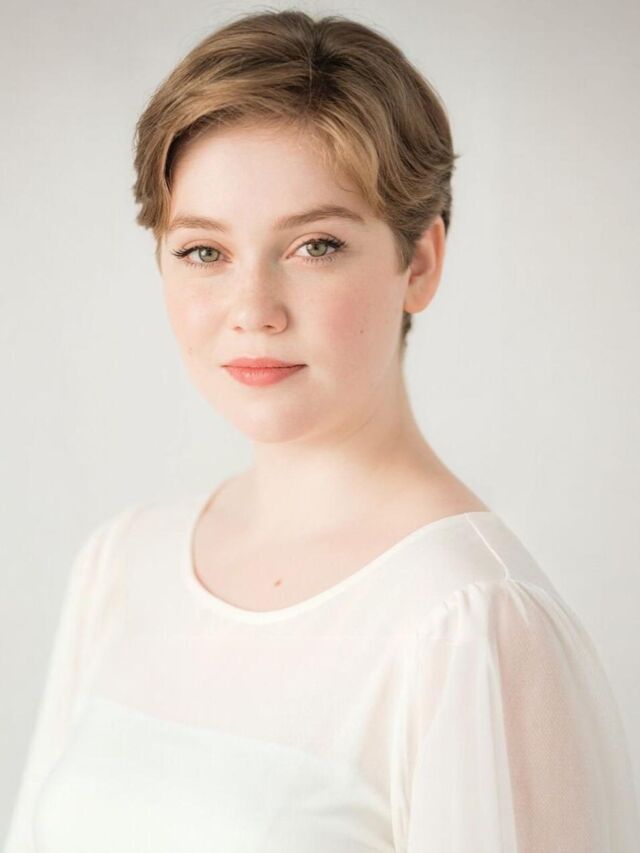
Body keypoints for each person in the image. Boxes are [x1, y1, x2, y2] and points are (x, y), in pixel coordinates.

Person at [4, 9, 639, 852]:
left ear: (420, 262)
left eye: (315, 245)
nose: (253, 310)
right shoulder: (119, 565)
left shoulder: (469, 621)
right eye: (204, 252)